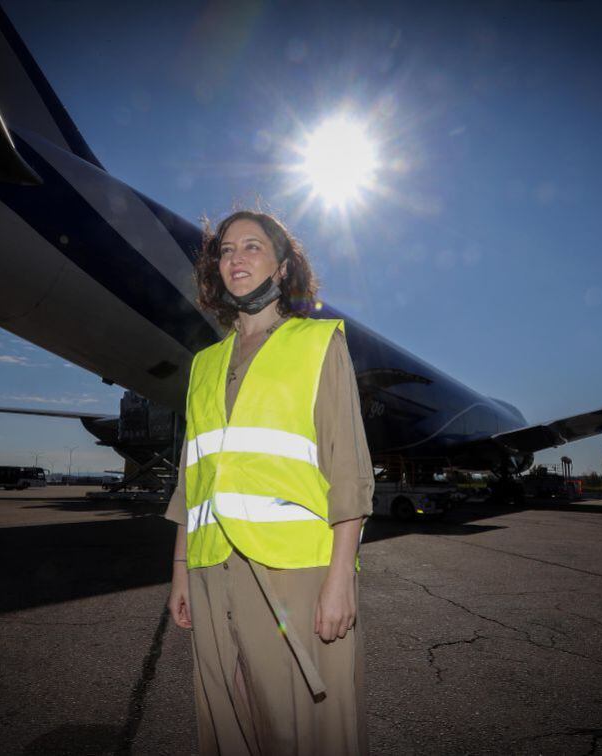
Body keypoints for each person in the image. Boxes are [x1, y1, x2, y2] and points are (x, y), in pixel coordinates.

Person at [165, 210, 373, 755]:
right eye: (226, 250)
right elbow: (194, 479)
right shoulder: (204, 366)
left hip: (294, 568)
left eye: (252, 247)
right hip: (211, 568)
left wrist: (340, 579)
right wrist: (181, 571)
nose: (235, 258)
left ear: (282, 269)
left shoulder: (318, 344)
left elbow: (347, 466)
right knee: (225, 716)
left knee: (302, 724)